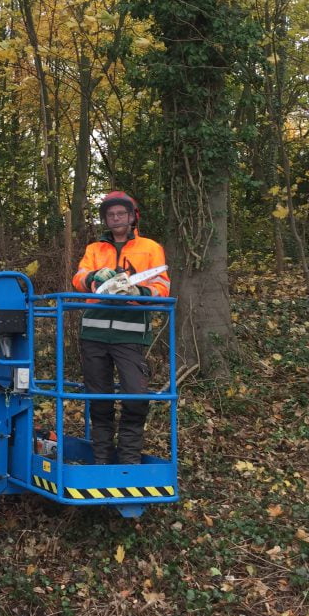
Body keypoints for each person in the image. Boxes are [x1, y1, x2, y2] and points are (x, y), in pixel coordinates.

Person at [72, 192, 170, 465]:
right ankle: (101, 458)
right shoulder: (95, 249)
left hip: (131, 333)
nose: (115, 219)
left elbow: (163, 286)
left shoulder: (150, 248)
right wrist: (93, 276)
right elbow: (78, 278)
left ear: (132, 217)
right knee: (99, 398)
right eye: (110, 215)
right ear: (105, 219)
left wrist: (138, 289)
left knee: (136, 396)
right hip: (93, 333)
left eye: (121, 214)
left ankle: (129, 458)